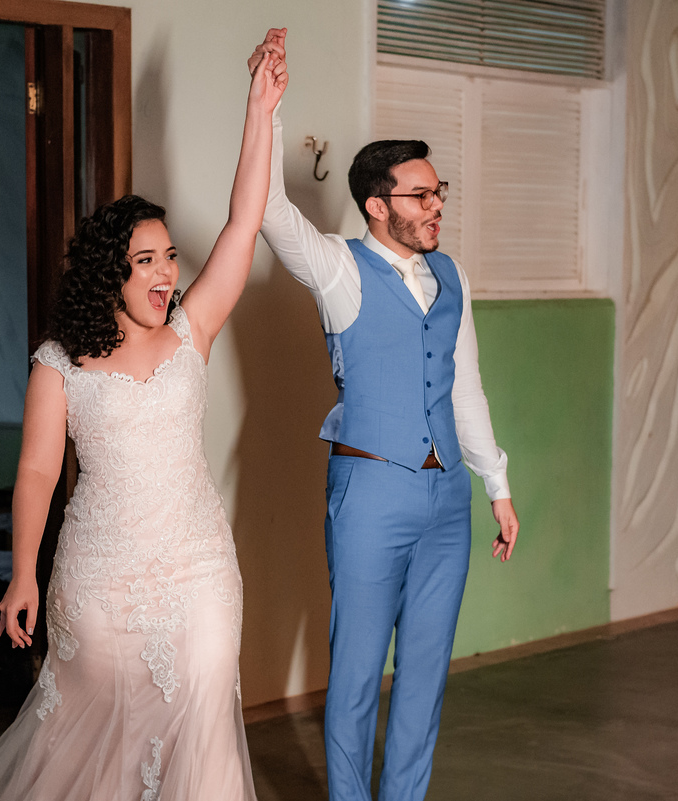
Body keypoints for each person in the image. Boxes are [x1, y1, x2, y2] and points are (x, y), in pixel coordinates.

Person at [0, 37, 287, 801]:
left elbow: (245, 223)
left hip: (200, 562)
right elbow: (39, 473)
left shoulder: (192, 331)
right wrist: (20, 573)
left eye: (169, 257)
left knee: (204, 709)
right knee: (105, 732)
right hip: (101, 575)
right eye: (146, 260)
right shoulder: (60, 363)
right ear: (111, 272)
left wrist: (261, 109)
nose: (167, 272)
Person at [247, 29, 521, 801]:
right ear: (378, 204)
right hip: (369, 495)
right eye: (421, 195)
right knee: (359, 675)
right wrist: (266, 107)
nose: (436, 207)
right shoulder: (340, 268)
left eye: (440, 194)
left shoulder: (452, 273)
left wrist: (495, 483)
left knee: (425, 678)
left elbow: (466, 383)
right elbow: (267, 210)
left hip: (445, 506)